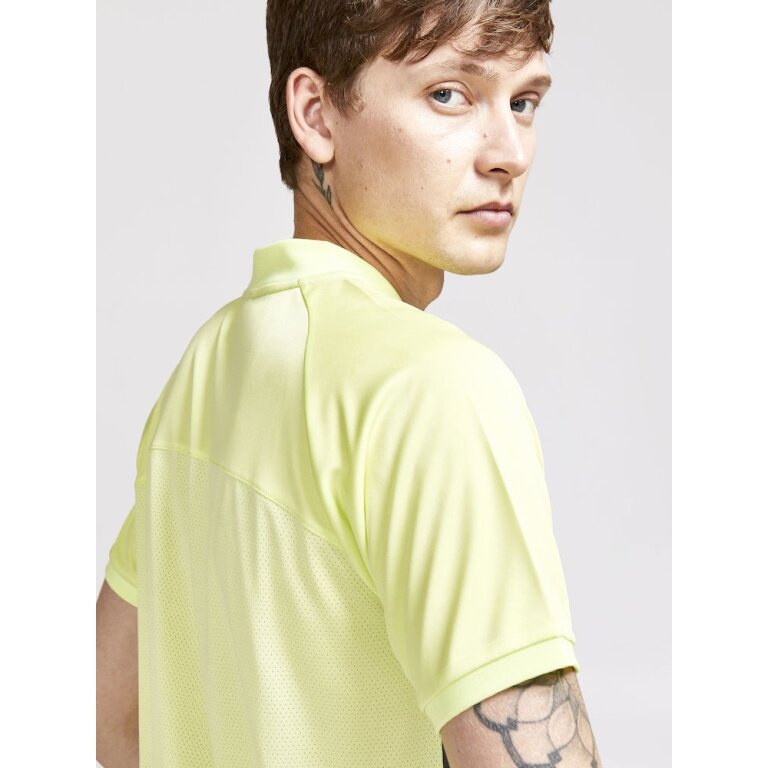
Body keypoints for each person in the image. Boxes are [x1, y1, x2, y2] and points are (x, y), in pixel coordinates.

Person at [96, 1, 604, 766]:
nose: (509, 152)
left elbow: (112, 717)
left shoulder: (208, 369)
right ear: (316, 114)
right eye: (450, 94)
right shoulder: (434, 388)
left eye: (524, 101)